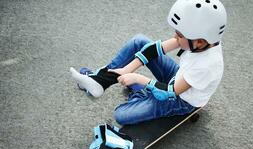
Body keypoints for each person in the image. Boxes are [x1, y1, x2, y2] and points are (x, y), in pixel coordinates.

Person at [70, 0, 227, 125]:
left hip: (181, 99)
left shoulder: (207, 65)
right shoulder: (199, 41)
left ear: (199, 41)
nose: (175, 37)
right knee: (140, 41)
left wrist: (139, 79)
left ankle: (140, 91)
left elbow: (171, 92)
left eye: (179, 35)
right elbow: (155, 49)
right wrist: (127, 69)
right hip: (179, 76)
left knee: (121, 115)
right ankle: (100, 81)